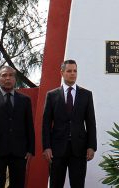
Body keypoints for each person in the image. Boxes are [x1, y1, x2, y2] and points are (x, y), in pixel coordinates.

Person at [42, 59, 97, 188]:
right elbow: (46, 123)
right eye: (69, 71)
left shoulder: (86, 95)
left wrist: (91, 146)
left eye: (75, 71)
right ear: (62, 72)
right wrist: (47, 147)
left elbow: (90, 123)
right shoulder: (52, 95)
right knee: (55, 184)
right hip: (57, 149)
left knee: (78, 185)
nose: (73, 74)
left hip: (79, 149)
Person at [0, 66, 35, 188]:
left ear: (15, 79)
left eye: (11, 75)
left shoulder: (25, 100)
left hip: (20, 152)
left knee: (18, 185)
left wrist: (31, 150)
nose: (8, 78)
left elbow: (29, 126)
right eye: (4, 75)